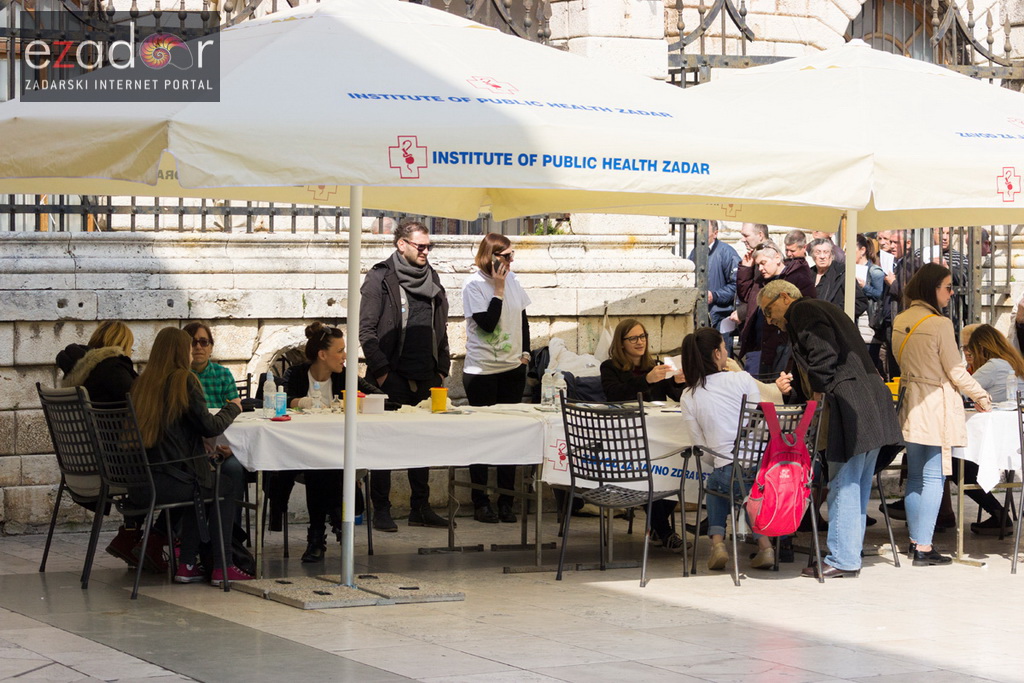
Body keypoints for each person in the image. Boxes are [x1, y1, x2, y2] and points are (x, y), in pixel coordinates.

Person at [761, 280, 902, 578]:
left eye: (769, 310)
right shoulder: (822, 307)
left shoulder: (803, 310)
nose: (769, 319)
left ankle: (842, 558)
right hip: (868, 400)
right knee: (857, 483)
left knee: (843, 482)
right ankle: (849, 552)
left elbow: (823, 353)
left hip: (848, 403)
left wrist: (817, 390)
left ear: (785, 297)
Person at [131, 327, 248, 585]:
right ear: (179, 351)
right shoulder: (184, 380)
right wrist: (233, 407)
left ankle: (186, 564)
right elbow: (210, 427)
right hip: (173, 481)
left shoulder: (142, 383)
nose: (193, 350)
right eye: (189, 345)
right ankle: (222, 566)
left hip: (141, 481)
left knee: (203, 482)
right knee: (221, 485)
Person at [892, 263, 991, 566]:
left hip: (910, 400)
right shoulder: (939, 324)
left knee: (914, 476)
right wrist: (981, 395)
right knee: (934, 476)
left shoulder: (901, 318)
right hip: (935, 402)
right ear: (932, 288)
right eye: (947, 287)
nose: (951, 292)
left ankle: (915, 541)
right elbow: (955, 370)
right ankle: (923, 546)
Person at [359, 220, 452, 531]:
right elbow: (367, 332)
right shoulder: (380, 277)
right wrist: (384, 375)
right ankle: (381, 509)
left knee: (421, 443)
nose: (426, 251)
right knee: (383, 445)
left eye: (429, 246)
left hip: (427, 376)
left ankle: (420, 507)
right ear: (401, 245)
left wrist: (442, 369)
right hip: (391, 377)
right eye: (420, 246)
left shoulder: (432, 278)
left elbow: (442, 328)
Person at [55, 321, 160, 571]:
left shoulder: (82, 373)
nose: (130, 353)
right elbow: (141, 402)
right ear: (121, 345)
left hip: (88, 465)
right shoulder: (112, 368)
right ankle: (159, 540)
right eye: (130, 347)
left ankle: (132, 535)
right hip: (117, 465)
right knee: (180, 470)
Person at [679, 326, 775, 570]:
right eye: (723, 347)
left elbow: (699, 445)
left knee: (717, 484)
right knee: (745, 488)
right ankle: (765, 547)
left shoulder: (689, 395)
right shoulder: (742, 378)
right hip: (761, 470)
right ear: (717, 354)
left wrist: (723, 461)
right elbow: (758, 419)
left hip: (727, 469)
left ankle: (718, 544)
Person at [286, 322, 381, 562]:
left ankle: (316, 538)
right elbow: (268, 399)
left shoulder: (346, 377)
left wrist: (360, 401)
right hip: (297, 450)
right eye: (340, 351)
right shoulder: (296, 374)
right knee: (320, 466)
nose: (345, 356)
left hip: (340, 452)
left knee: (323, 468)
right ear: (322, 354)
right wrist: (299, 402)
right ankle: (339, 519)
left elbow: (377, 396)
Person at [600, 319, 687, 552]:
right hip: (626, 439)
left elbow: (676, 396)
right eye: (633, 338)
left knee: (676, 467)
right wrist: (647, 380)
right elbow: (614, 395)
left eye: (643, 336)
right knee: (651, 474)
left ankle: (658, 528)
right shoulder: (610, 367)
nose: (640, 342)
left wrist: (679, 382)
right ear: (621, 343)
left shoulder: (656, 365)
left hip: (657, 435)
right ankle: (664, 531)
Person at [462, 234, 531, 524]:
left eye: (512, 256)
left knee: (510, 439)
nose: (511, 261)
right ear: (491, 256)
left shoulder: (513, 280)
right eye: (507, 256)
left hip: (512, 370)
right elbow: (488, 324)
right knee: (482, 438)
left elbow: (523, 317)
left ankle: (506, 500)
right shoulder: (473, 285)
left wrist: (526, 353)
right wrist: (498, 289)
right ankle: (481, 501)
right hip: (482, 372)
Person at [960, 324, 1024, 535]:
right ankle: (998, 514)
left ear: (982, 347)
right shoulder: (1015, 362)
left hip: (997, 438)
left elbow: (963, 388)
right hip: (1014, 439)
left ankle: (998, 514)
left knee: (955, 465)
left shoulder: (993, 365)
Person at [736, 241, 815, 378]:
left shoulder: (797, 278)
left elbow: (808, 310)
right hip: (761, 345)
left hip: (784, 346)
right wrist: (746, 268)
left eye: (763, 263)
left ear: (777, 258)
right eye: (758, 265)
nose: (760, 268)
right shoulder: (762, 280)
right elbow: (746, 296)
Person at [688, 220, 740, 354]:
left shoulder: (727, 253)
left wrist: (715, 295)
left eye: (704, 231)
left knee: (723, 359)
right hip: (700, 318)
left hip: (720, 319)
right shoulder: (695, 252)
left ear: (715, 233)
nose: (699, 235)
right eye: (697, 231)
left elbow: (737, 286)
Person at [855, 234, 886, 373]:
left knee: (869, 365)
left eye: (850, 249)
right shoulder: (848, 270)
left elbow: (881, 295)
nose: (846, 253)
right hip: (855, 324)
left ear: (862, 250)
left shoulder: (875, 271)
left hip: (869, 324)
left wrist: (864, 287)